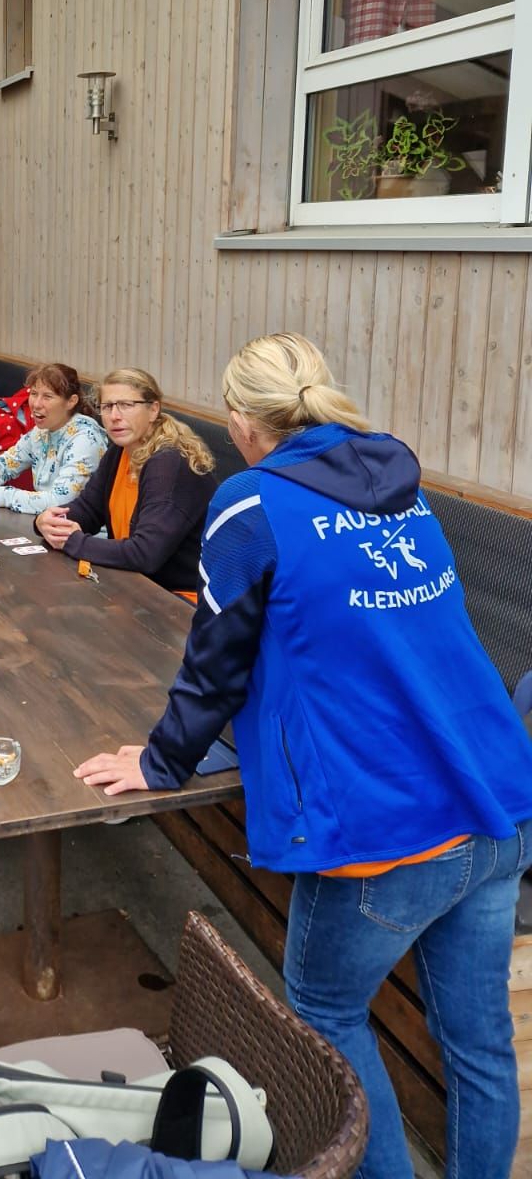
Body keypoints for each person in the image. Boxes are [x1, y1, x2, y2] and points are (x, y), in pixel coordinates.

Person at [74, 333, 532, 1179]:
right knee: (478, 1044)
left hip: (381, 824)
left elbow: (214, 663)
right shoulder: (402, 485)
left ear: (242, 422)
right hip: (496, 797)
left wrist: (160, 763)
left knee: (325, 1009)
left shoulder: (252, 503)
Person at [35, 368, 215, 597]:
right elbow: (88, 510)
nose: (115, 416)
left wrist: (72, 541)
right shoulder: (120, 451)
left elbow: (145, 554)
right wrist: (48, 521)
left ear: (153, 409)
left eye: (126, 405)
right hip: (134, 586)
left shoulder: (169, 464)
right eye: (107, 406)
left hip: (182, 600)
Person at [0, 363, 105, 516]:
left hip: (78, 527)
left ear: (71, 401)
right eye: (34, 393)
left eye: (47, 397)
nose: (36, 404)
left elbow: (61, 501)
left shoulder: (86, 440)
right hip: (46, 523)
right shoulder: (41, 431)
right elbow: (9, 461)